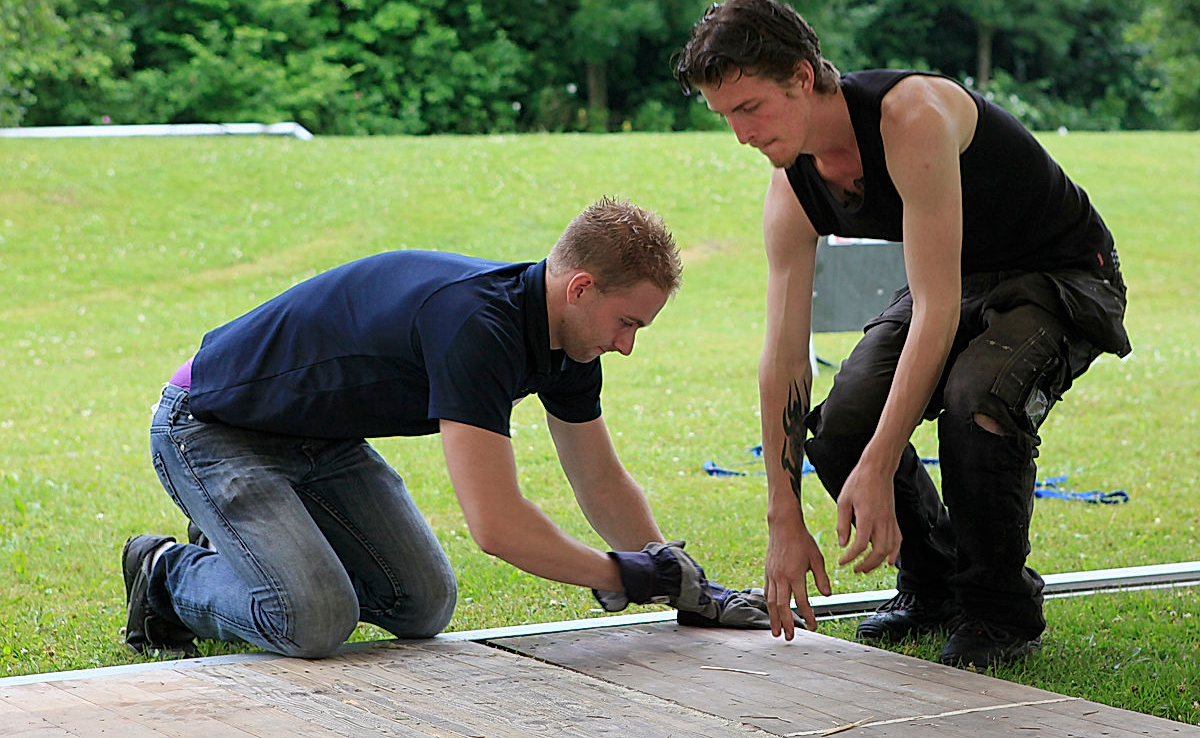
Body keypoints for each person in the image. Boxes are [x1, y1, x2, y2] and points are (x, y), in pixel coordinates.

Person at [673, 0, 1130, 668]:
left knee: (979, 398)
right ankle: (933, 583)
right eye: (725, 118)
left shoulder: (910, 117)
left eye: (749, 108)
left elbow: (937, 310)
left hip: (1061, 275)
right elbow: (784, 359)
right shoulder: (792, 187)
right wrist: (783, 514)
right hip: (955, 278)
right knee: (841, 424)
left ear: (803, 77)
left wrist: (883, 464)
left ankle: (998, 609)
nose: (740, 134)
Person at [122, 196, 787, 659]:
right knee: (313, 621)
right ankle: (166, 573)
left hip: (319, 440)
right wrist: (621, 575)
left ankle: (249, 543)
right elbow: (495, 525)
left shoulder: (568, 345)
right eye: (628, 324)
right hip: (210, 426)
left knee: (422, 603)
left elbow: (600, 482)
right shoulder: (477, 328)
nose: (627, 346)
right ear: (580, 289)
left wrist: (679, 577)